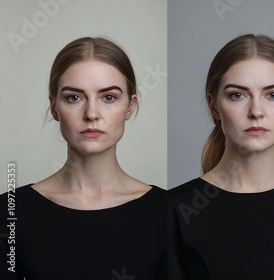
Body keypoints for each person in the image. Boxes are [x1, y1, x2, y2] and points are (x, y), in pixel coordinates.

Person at [166, 34, 274, 279]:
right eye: (238, 95)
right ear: (214, 106)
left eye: (273, 95)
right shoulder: (173, 211)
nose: (256, 111)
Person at [0, 37, 169, 279]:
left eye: (108, 97)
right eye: (74, 97)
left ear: (130, 106)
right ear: (54, 106)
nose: (91, 114)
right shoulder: (10, 212)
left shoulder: (168, 213)